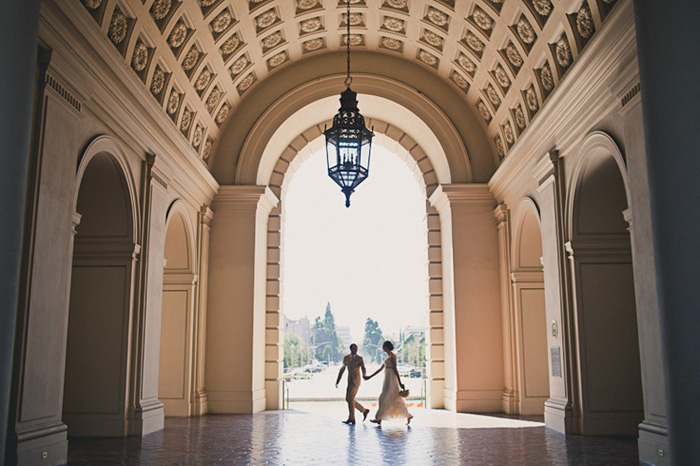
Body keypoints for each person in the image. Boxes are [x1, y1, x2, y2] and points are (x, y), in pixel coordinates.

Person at [364, 340, 413, 425]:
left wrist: (400, 382)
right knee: (389, 398)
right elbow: (380, 369)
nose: (382, 347)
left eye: (383, 346)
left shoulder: (392, 356)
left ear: (386, 347)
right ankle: (380, 418)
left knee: (388, 398)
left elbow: (395, 369)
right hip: (387, 380)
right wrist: (369, 377)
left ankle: (379, 418)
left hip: (392, 380)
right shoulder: (387, 358)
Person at [336, 343, 370, 425]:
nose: (355, 350)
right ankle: (363, 410)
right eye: (354, 348)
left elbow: (363, 368)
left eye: (356, 348)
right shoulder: (346, 358)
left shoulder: (360, 358)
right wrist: (338, 380)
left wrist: (364, 375)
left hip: (356, 381)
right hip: (349, 380)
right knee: (348, 399)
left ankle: (352, 418)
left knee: (350, 398)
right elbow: (342, 369)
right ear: (350, 349)